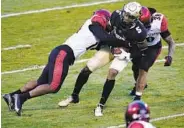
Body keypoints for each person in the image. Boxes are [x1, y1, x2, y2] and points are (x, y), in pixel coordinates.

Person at [2, 9, 130, 116]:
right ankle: (21, 98)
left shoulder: (94, 31)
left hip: (60, 53)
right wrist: (125, 42)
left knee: (41, 82)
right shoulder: (94, 25)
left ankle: (12, 95)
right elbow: (105, 37)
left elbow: (103, 41)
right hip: (63, 54)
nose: (109, 26)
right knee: (53, 86)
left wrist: (116, 47)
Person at [58, 2, 148, 117]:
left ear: (136, 17)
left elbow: (141, 49)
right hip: (111, 48)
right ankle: (74, 96)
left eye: (129, 16)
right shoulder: (116, 15)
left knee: (112, 72)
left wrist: (127, 55)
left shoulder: (140, 32)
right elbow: (108, 29)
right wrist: (109, 44)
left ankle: (100, 105)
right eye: (125, 13)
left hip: (125, 52)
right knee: (88, 68)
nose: (125, 17)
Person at [129, 6, 175, 100]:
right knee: (135, 67)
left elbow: (171, 42)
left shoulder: (158, 22)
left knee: (143, 67)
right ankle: (140, 84)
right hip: (138, 45)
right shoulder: (131, 22)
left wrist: (170, 56)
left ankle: (137, 97)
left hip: (153, 47)